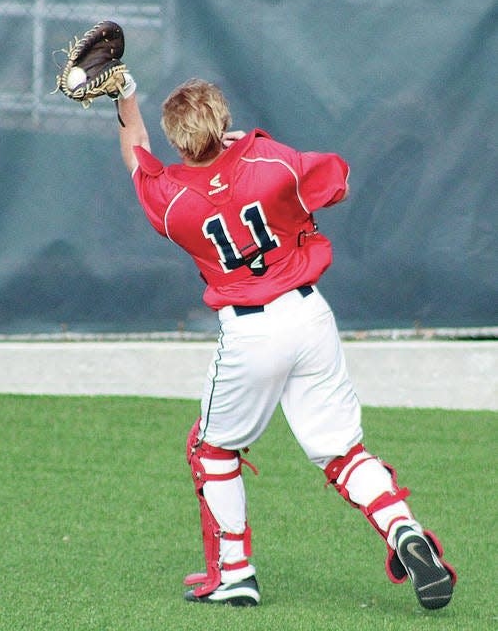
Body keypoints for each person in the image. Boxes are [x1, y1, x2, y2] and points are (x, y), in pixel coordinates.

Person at [115, 74, 456, 609]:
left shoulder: (173, 200)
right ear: (222, 122)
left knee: (211, 448)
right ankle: (403, 530)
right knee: (343, 451)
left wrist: (125, 96)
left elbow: (137, 155)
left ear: (180, 141)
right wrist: (255, 147)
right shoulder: (269, 164)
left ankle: (234, 573)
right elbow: (337, 180)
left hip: (251, 331)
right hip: (309, 316)